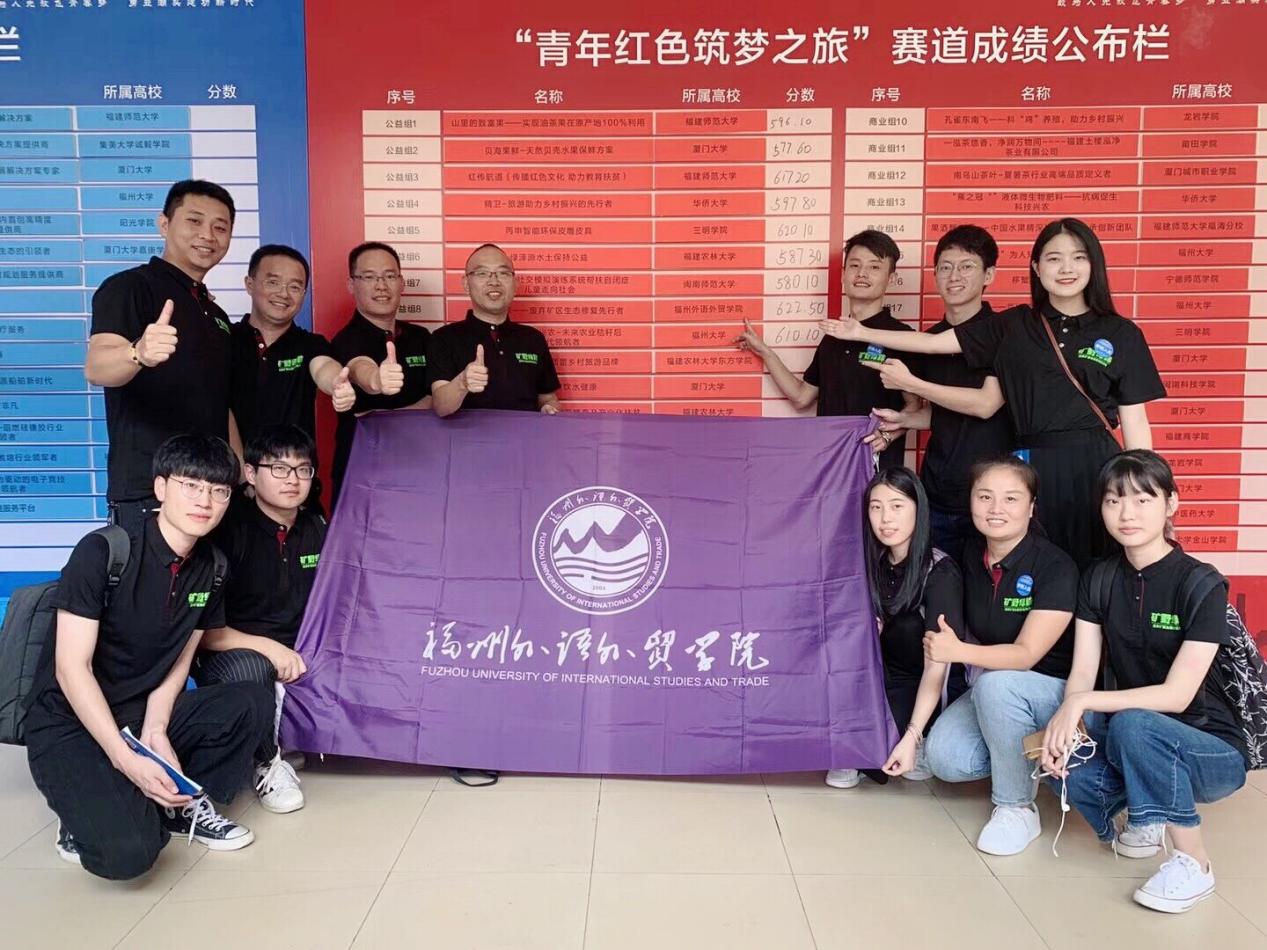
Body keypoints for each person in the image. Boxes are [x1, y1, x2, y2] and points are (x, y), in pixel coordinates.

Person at [825, 217, 1165, 568]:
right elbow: (934, 343)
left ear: (1094, 264)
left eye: (1078, 257)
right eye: (1054, 258)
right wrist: (859, 332)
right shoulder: (1015, 324)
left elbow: (1135, 421)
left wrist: (1144, 489)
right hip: (1029, 468)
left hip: (1094, 464)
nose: (1066, 268)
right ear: (1036, 267)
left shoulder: (1121, 333)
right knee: (1029, 567)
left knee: (1100, 565)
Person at [23, 435, 274, 880]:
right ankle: (85, 807)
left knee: (249, 700)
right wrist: (125, 759)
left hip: (138, 715)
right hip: (69, 720)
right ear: (161, 487)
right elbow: (71, 668)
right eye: (191, 485)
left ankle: (177, 805)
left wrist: (156, 731)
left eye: (218, 491)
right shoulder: (104, 551)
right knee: (131, 855)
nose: (205, 501)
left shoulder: (213, 567)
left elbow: (179, 661)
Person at [1040, 450, 1247, 913]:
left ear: (1171, 504)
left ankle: (1195, 864)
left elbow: (1178, 696)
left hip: (1210, 748)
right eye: (1113, 501)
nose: (1126, 514)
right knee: (1061, 763)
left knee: (1134, 722)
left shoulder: (1201, 584)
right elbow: (1083, 671)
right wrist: (1069, 724)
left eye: (1142, 500)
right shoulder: (1099, 578)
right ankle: (1146, 810)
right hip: (1131, 737)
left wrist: (1081, 704)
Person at [921, 455, 1078, 856]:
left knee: (996, 685)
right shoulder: (971, 553)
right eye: (985, 496)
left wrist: (958, 650)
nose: (996, 508)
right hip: (995, 691)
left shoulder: (1055, 566)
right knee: (945, 759)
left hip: (1053, 693)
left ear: (1031, 507)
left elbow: (1026, 655)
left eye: (1011, 498)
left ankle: (1016, 807)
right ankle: (1027, 757)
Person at [85, 180, 242, 535]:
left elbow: (221, 404)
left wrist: (239, 476)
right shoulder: (130, 287)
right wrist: (138, 353)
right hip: (151, 493)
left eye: (220, 227)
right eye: (194, 221)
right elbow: (97, 368)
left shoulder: (215, 314)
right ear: (164, 224)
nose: (207, 235)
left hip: (213, 493)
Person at [196, 424, 328, 814]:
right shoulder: (228, 532)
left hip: (299, 648)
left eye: (302, 470)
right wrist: (269, 648)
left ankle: (301, 735)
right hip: (233, 650)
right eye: (279, 469)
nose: (293, 480)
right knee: (252, 668)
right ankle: (267, 762)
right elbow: (204, 633)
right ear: (251, 474)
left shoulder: (317, 528)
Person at [865, 225, 1014, 562]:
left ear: (989, 274)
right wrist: (902, 421)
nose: (954, 276)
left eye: (967, 266)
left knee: (989, 589)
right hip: (938, 492)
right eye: (945, 267)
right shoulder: (927, 342)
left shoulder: (1005, 333)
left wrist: (910, 383)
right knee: (936, 585)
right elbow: (941, 413)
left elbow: (985, 406)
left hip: (993, 497)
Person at [826, 468, 965, 790]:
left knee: (879, 748)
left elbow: (938, 668)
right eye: (876, 507)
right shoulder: (869, 564)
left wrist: (913, 734)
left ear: (919, 509)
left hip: (921, 684)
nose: (885, 518)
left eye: (897, 506)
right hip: (874, 680)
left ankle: (922, 737)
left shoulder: (940, 572)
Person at [735, 229, 919, 466]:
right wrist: (765, 352)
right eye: (854, 265)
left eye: (874, 267)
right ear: (843, 274)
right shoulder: (832, 338)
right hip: (830, 468)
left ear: (891, 279)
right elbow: (802, 397)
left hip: (878, 470)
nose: (862, 273)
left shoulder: (901, 337)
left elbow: (915, 406)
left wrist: (887, 435)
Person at [230, 244, 364, 445]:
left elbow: (324, 367)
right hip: (230, 463)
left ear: (304, 293)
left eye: (294, 287)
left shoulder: (310, 344)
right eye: (273, 282)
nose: (283, 294)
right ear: (250, 284)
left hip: (295, 464)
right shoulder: (224, 339)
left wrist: (337, 383)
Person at [328, 241, 430, 507]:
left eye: (389, 276)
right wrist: (376, 381)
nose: (381, 286)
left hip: (420, 468)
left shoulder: (421, 337)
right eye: (369, 277)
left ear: (401, 282)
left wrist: (384, 415)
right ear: (352, 285)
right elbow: (359, 368)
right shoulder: (344, 341)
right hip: (364, 473)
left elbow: (437, 398)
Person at [428, 244, 562, 417]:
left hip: (525, 434)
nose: (494, 281)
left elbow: (548, 398)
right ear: (466, 284)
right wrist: (462, 383)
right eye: (482, 273)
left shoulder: (533, 339)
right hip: (468, 434)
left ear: (515, 284)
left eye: (503, 273)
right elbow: (440, 406)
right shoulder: (443, 338)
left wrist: (549, 408)